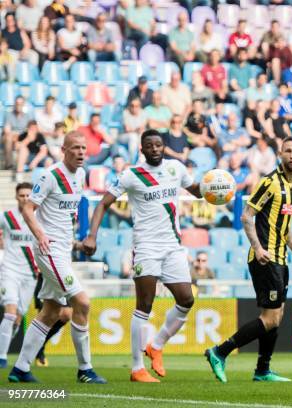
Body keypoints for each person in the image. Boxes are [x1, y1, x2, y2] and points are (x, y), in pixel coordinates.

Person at [83, 129, 204, 383]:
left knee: (186, 299)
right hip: (146, 247)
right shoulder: (131, 175)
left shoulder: (176, 168)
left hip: (173, 247)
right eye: (150, 145)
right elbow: (103, 203)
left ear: (163, 147)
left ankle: (156, 345)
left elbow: (198, 191)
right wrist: (92, 235)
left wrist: (215, 185)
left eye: (159, 145)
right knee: (145, 305)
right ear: (142, 149)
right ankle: (137, 368)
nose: (155, 149)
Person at [204, 136, 292, 384]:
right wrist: (258, 248)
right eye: (288, 151)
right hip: (265, 259)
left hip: (281, 259)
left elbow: (284, 226)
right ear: (280, 154)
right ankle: (220, 351)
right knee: (270, 318)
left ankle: (262, 370)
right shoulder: (269, 183)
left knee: (276, 317)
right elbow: (247, 216)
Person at [9, 131, 106, 384]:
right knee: (82, 303)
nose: (81, 152)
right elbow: (29, 209)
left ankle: (19, 369)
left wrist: (77, 242)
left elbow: (64, 216)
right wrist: (41, 235)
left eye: (84, 148)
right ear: (63, 150)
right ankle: (85, 369)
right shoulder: (49, 176)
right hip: (48, 250)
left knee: (51, 311)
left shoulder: (81, 175)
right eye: (75, 148)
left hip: (63, 250)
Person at [0, 184, 39, 368]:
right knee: (10, 313)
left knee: (17, 318)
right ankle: (1, 357)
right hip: (9, 271)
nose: (24, 198)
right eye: (21, 195)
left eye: (28, 195)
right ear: (16, 197)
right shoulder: (7, 217)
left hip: (30, 273)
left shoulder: (38, 217)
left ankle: (3, 347)